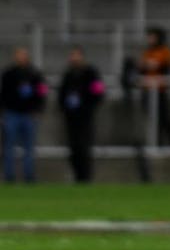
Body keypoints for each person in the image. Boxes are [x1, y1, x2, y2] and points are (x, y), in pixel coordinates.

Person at [58, 45, 106, 182]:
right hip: (71, 117)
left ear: (81, 56)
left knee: (84, 147)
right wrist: (65, 107)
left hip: (85, 117)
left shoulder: (91, 73)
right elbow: (61, 94)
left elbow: (98, 91)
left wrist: (88, 105)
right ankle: (77, 175)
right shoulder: (68, 74)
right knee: (73, 148)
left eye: (76, 55)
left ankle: (86, 177)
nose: (74, 58)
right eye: (72, 55)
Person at [1, 45, 48, 183]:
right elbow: (3, 94)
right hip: (12, 114)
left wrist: (39, 109)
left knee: (29, 147)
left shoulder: (35, 74)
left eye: (23, 55)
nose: (21, 58)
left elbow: (42, 92)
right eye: (18, 55)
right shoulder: (8, 74)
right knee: (8, 146)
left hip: (29, 114)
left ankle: (29, 176)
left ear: (27, 57)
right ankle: (9, 176)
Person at [139, 26, 170, 146]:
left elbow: (167, 68)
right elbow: (142, 69)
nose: (150, 39)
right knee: (153, 119)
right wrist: (145, 67)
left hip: (160, 90)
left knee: (164, 118)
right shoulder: (147, 52)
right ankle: (157, 143)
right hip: (148, 89)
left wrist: (155, 66)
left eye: (152, 37)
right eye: (149, 37)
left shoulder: (165, 52)